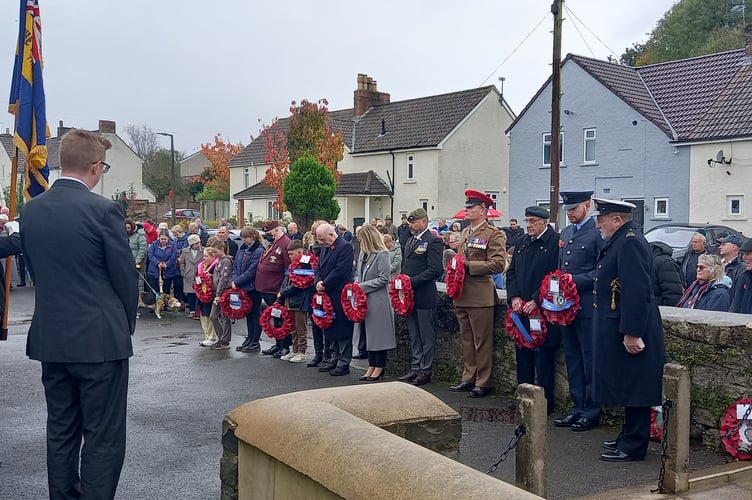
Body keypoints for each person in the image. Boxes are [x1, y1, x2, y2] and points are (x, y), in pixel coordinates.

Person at [20, 129, 138, 498]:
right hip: (101, 341)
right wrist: (125, 327)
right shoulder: (104, 211)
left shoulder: (31, 210)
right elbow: (124, 280)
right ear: (95, 167)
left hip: (51, 339)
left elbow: (40, 272)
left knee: (61, 432)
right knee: (102, 437)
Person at [591, 197, 666, 462]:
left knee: (636, 386)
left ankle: (634, 444)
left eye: (601, 220)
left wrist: (632, 332)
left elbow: (637, 291)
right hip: (623, 324)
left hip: (636, 327)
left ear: (617, 219)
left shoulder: (630, 242)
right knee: (629, 383)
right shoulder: (622, 239)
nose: (598, 225)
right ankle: (627, 436)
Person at [448, 190, 506, 398]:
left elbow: (499, 263)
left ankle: (483, 381)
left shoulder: (493, 234)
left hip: (480, 294)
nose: (467, 210)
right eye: (467, 207)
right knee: (466, 338)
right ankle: (468, 376)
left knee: (482, 340)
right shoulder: (465, 233)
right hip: (462, 292)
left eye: (471, 207)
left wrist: (469, 266)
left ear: (482, 210)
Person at [554, 191, 604, 431]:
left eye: (574, 209)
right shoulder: (565, 232)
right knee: (572, 358)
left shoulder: (597, 233)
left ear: (587, 205)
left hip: (587, 306)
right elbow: (559, 267)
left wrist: (575, 280)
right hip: (565, 306)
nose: (570, 213)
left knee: (589, 359)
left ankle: (592, 411)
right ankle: (577, 407)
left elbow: (602, 273)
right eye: (567, 210)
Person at [506, 206, 561, 414]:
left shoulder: (555, 243)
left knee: (544, 356)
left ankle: (545, 402)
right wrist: (515, 296)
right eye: (526, 220)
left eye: (533, 221)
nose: (528, 225)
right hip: (521, 311)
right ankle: (524, 396)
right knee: (523, 354)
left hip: (543, 310)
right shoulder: (521, 242)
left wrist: (537, 299)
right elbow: (511, 273)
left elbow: (556, 276)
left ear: (544, 222)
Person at [397, 208, 443, 386]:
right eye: (410, 222)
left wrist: (411, 282)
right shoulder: (410, 240)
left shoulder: (433, 241)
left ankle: (425, 370)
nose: (410, 225)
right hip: (409, 296)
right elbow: (406, 265)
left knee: (426, 334)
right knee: (414, 333)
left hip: (424, 295)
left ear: (424, 222)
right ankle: (415, 366)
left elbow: (435, 270)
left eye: (413, 222)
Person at [353, 225, 395, 381]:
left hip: (378, 300)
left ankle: (379, 367)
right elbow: (359, 274)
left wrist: (361, 287)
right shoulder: (364, 254)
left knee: (378, 336)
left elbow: (384, 279)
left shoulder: (382, 254)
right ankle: (371, 365)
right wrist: (356, 284)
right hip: (364, 300)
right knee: (367, 334)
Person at [314, 223, 355, 376]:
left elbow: (341, 270)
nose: (321, 243)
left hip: (339, 293)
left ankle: (344, 361)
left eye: (323, 239)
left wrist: (325, 283)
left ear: (331, 235)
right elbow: (319, 267)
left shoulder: (345, 247)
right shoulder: (324, 247)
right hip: (326, 293)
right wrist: (317, 281)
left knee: (342, 328)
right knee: (329, 326)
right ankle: (334, 357)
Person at [257, 220, 293, 357]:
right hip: (267, 288)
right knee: (275, 317)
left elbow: (288, 269)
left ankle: (285, 346)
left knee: (281, 318)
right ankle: (278, 344)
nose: (269, 237)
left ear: (277, 231)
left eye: (271, 234)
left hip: (276, 288)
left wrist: (282, 289)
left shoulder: (285, 244)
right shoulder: (275, 243)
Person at [277, 239, 313, 363]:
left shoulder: (305, 265)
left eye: (292, 254)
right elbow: (287, 280)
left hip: (300, 301)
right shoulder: (292, 265)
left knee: (300, 328)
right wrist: (283, 291)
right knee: (293, 328)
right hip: (290, 301)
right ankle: (294, 349)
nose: (290, 257)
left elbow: (299, 284)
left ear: (300, 252)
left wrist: (283, 292)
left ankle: (301, 352)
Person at [232, 227, 265, 353]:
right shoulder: (242, 249)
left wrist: (237, 281)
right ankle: (250, 338)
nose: (244, 240)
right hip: (242, 287)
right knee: (248, 315)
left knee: (255, 315)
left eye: (246, 237)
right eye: (243, 238)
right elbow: (235, 266)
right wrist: (235, 279)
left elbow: (252, 271)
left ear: (253, 237)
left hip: (253, 288)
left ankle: (255, 341)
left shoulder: (258, 250)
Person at [208, 238, 234, 349]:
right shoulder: (219, 261)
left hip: (224, 292)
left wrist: (218, 294)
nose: (214, 254)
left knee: (225, 316)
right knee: (213, 316)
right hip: (218, 292)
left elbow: (224, 278)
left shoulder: (226, 261)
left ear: (222, 249)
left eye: (215, 252)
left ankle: (225, 340)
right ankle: (222, 337)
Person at [196, 244, 219, 347]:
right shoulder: (202, 266)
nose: (204, 258)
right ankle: (207, 335)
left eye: (206, 256)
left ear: (213, 256)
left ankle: (213, 336)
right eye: (204, 256)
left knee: (210, 315)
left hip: (211, 294)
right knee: (203, 315)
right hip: (202, 293)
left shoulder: (215, 266)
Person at [146, 231, 179, 298]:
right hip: (154, 271)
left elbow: (174, 256)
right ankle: (155, 305)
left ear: (168, 238)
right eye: (162, 239)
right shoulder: (154, 244)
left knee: (166, 290)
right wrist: (157, 263)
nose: (163, 241)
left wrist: (167, 264)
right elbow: (150, 255)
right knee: (155, 290)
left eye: (165, 239)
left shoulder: (173, 245)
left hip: (168, 271)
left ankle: (165, 305)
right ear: (159, 238)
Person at [650, 241, 683, 306]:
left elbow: (673, 293)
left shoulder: (663, 262)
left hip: (662, 311)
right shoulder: (650, 261)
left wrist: (666, 312)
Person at [180, 234, 203, 319]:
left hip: (199, 275)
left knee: (199, 294)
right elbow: (182, 263)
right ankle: (192, 311)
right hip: (188, 275)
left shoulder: (203, 251)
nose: (198, 245)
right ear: (191, 244)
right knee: (190, 294)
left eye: (199, 243)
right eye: (196, 243)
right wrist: (184, 272)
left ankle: (198, 311)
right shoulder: (185, 251)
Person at [718, 234, 744, 302]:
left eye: (724, 244)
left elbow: (738, 293)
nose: (720, 247)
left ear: (734, 247)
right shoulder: (717, 264)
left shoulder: (740, 268)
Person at [729, 238, 752, 314]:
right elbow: (736, 304)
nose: (744, 258)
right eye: (743, 254)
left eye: (748, 254)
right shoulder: (744, 276)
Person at [126, 218, 147, 293]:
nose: (127, 230)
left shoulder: (140, 235)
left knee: (139, 281)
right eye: (126, 228)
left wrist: (137, 261)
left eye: (129, 228)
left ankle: (140, 297)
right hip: (127, 262)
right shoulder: (124, 236)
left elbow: (143, 249)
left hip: (137, 262)